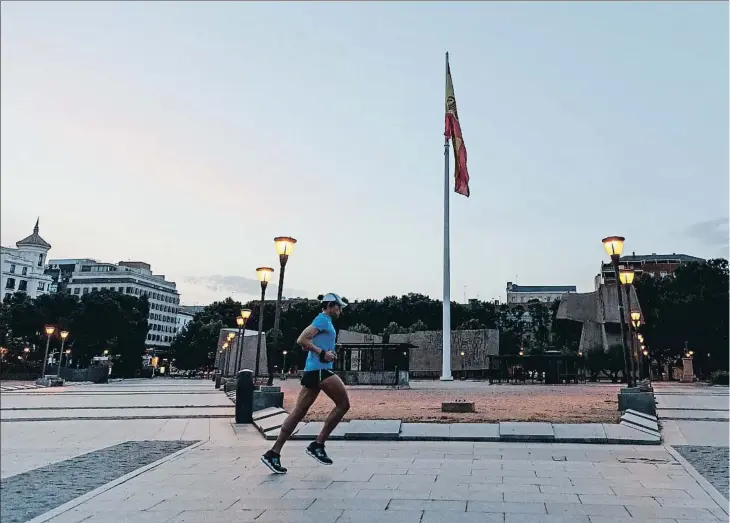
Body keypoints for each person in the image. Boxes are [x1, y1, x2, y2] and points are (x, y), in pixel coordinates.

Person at [261, 293, 350, 474]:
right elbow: (302, 339)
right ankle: (318, 444)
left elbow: (306, 344)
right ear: (331, 306)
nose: (340, 310)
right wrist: (322, 353)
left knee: (298, 412)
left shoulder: (324, 322)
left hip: (314, 370)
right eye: (338, 307)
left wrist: (324, 351)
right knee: (343, 404)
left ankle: (273, 453)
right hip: (319, 370)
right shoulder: (323, 320)